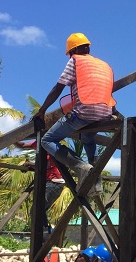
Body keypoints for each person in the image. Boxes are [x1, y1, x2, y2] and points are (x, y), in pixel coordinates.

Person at [33, 33, 116, 196]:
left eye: (70, 53)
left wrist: (41, 111)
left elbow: (58, 88)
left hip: (85, 112)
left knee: (47, 140)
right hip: (106, 112)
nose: (70, 56)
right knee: (88, 138)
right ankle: (96, 182)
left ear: (75, 50)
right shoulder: (105, 65)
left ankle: (81, 167)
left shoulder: (76, 61)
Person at [15, 140, 66, 231]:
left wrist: (29, 164)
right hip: (51, 183)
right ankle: (46, 232)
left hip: (54, 182)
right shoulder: (40, 142)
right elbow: (22, 145)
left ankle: (44, 233)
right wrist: (13, 139)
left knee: (36, 210)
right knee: (39, 210)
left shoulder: (51, 145)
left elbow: (45, 165)